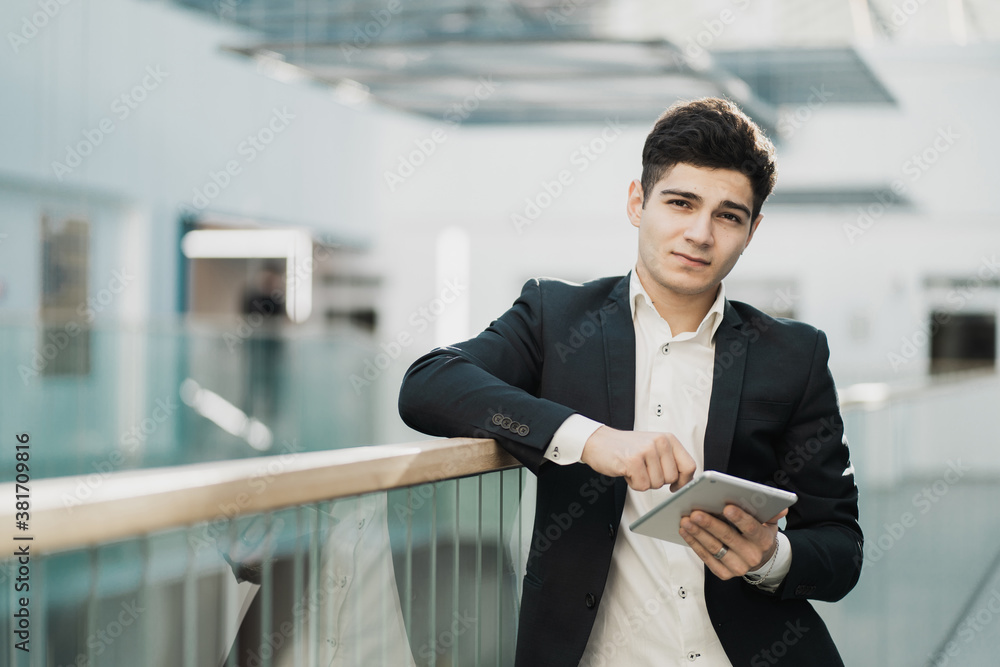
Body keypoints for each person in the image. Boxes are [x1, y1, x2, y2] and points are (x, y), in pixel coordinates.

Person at [398, 97, 862, 666]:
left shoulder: (795, 353)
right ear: (637, 202)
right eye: (680, 203)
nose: (699, 233)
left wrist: (770, 556)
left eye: (727, 215)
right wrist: (592, 440)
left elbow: (842, 548)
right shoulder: (555, 316)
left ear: (751, 230)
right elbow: (428, 384)